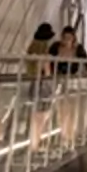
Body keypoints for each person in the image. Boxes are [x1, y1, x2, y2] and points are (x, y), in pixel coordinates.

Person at [49, 26, 87, 148]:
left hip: (72, 81)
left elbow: (86, 63)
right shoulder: (55, 47)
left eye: (70, 38)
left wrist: (83, 73)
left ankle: (70, 136)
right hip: (58, 80)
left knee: (71, 109)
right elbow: (48, 61)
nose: (67, 40)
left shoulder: (78, 49)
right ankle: (63, 135)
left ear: (73, 38)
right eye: (65, 37)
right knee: (61, 108)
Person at [26, 22, 55, 150]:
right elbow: (46, 70)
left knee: (35, 115)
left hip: (33, 82)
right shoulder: (44, 51)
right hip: (43, 83)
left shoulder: (31, 49)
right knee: (44, 114)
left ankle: (34, 143)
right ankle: (38, 142)